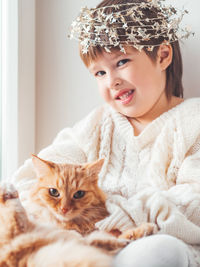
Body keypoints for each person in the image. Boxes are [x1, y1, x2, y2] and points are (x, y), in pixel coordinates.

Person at [12, 0, 200, 266]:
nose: (112, 80)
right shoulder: (98, 124)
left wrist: (117, 216)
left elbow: (194, 201)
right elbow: (31, 181)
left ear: (163, 56)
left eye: (121, 62)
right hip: (88, 244)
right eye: (99, 72)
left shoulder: (194, 121)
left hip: (151, 245)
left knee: (160, 250)